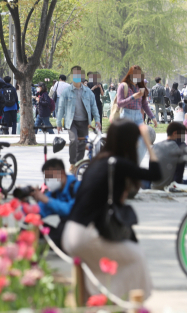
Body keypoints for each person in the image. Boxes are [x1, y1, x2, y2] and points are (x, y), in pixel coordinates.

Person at [62, 120, 161, 302]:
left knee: (102, 269)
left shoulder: (98, 162)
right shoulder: (118, 164)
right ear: (129, 142)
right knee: (136, 257)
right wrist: (148, 142)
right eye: (137, 141)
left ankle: (103, 301)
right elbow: (156, 175)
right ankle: (129, 303)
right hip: (84, 236)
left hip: (70, 233)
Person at [56, 66, 101, 173]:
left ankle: (79, 164)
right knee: (73, 140)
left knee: (82, 144)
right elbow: (61, 108)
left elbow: (94, 107)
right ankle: (72, 163)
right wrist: (58, 123)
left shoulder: (88, 92)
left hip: (85, 122)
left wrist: (97, 120)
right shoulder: (66, 91)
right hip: (72, 122)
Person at [30, 158, 79, 249]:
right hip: (65, 229)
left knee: (60, 234)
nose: (49, 180)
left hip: (80, 229)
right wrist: (27, 205)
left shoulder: (77, 187)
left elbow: (70, 211)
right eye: (47, 177)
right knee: (30, 227)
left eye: (51, 176)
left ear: (62, 173)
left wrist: (47, 200)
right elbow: (41, 211)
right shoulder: (55, 192)